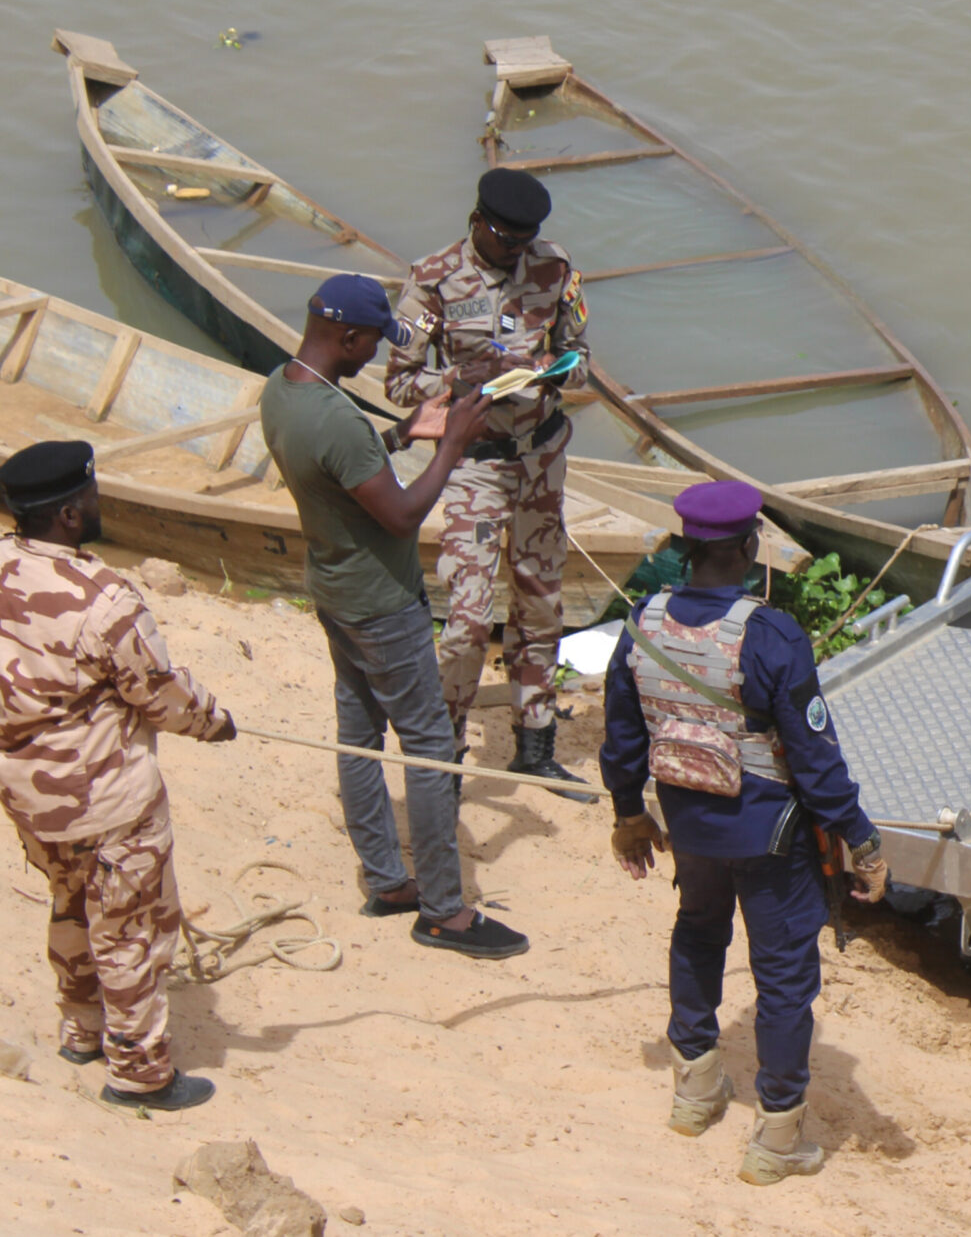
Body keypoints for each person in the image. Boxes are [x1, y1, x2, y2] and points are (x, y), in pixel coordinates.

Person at [601, 481, 889, 1185]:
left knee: (697, 934)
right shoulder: (770, 634)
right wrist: (861, 840)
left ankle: (695, 1089)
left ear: (685, 546)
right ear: (751, 545)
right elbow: (815, 758)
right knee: (784, 976)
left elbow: (623, 735)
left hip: (688, 826)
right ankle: (777, 1138)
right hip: (769, 836)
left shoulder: (642, 622)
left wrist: (628, 813)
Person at [261, 274, 527, 959]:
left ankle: (385, 879)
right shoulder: (337, 420)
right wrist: (451, 445)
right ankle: (443, 911)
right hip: (383, 604)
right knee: (430, 749)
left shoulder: (282, 390)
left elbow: (343, 466)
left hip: (334, 589)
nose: (377, 353)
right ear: (347, 337)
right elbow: (403, 514)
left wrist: (405, 431)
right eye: (372, 341)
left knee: (358, 736)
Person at [0, 442, 236, 1110]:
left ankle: (82, 1030)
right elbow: (160, 695)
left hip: (28, 795)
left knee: (71, 902)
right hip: (107, 803)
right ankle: (140, 1074)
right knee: (132, 931)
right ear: (70, 514)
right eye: (93, 493)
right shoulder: (104, 597)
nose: (100, 501)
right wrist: (217, 722)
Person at [386, 165, 592, 790]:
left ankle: (535, 744)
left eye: (526, 242)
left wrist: (557, 370)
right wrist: (459, 378)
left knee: (541, 603)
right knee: (469, 618)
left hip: (541, 460)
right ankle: (444, 752)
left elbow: (582, 360)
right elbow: (399, 382)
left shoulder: (554, 268)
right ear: (478, 223)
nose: (516, 252)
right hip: (473, 465)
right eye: (506, 241)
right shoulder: (432, 280)